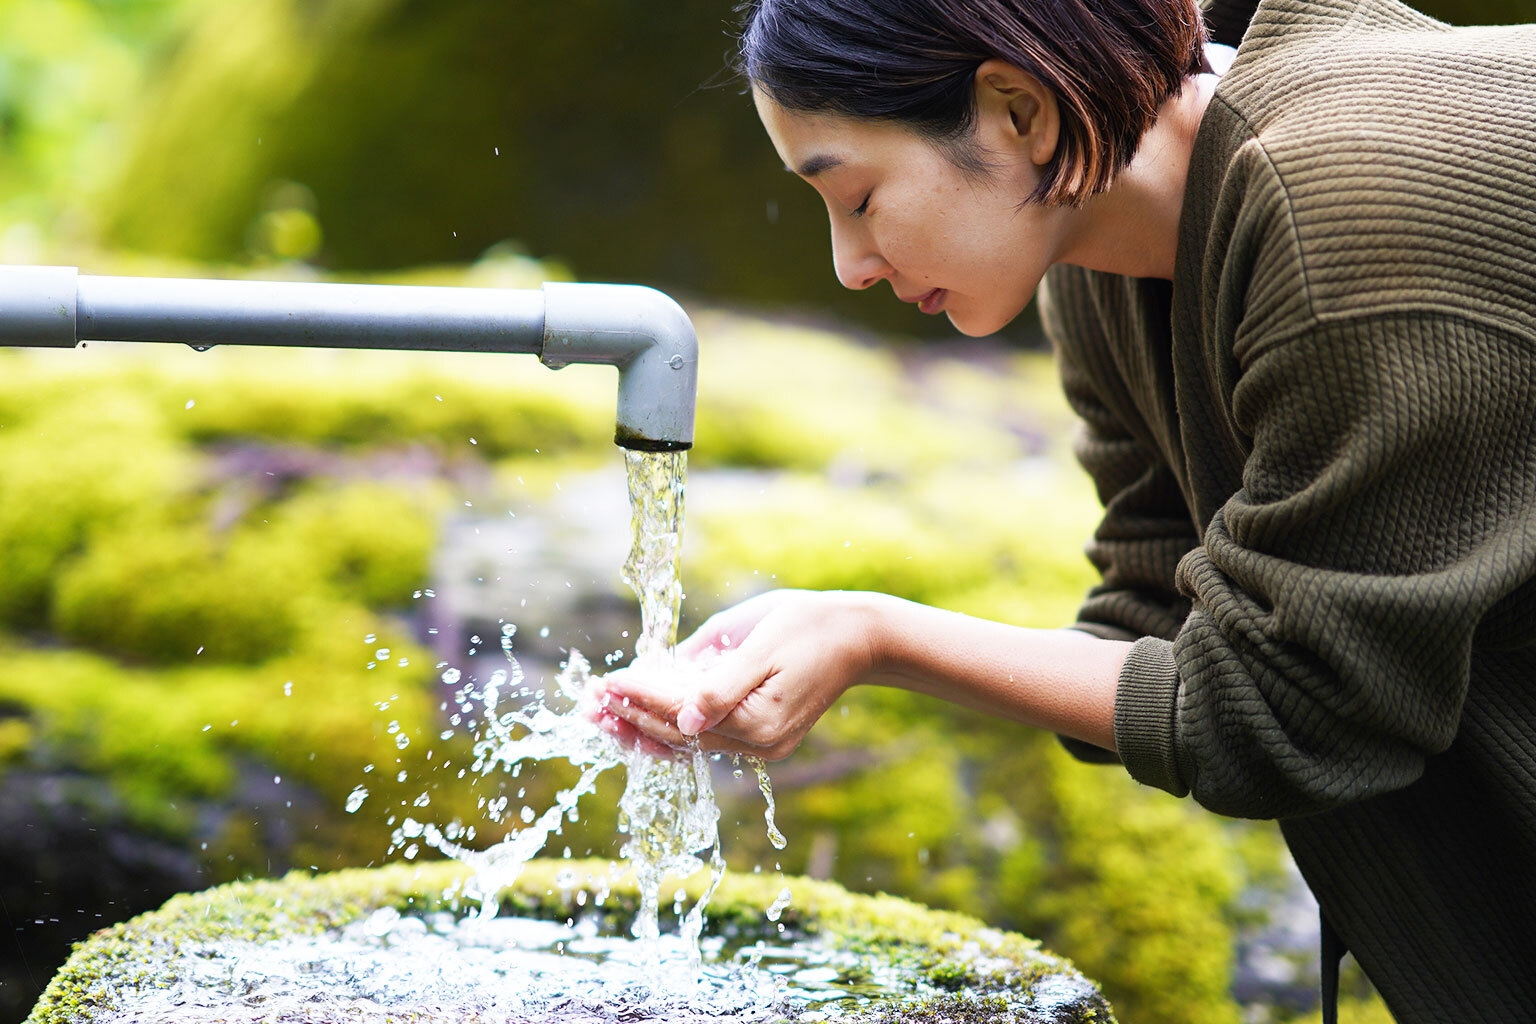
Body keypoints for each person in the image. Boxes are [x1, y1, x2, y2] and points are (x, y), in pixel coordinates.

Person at [591, 0, 1536, 1020]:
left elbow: (1296, 710)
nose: (848, 265)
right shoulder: (1097, 267)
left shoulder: (1345, 209)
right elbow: (1157, 611)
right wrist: (831, 638)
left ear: (1020, 113)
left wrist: (873, 633)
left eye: (858, 197)